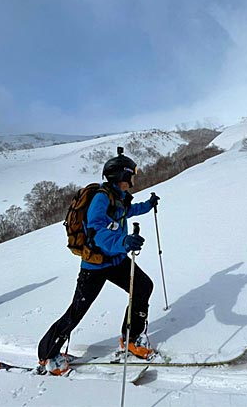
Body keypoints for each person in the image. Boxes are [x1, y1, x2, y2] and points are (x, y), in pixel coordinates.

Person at [37, 148, 159, 376]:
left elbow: (127, 211)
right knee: (76, 312)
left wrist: (148, 205)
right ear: (122, 176)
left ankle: (131, 338)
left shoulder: (117, 197)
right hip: (95, 267)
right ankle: (48, 355)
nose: (134, 178)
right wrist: (124, 241)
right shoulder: (101, 198)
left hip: (116, 261)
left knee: (143, 287)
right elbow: (96, 232)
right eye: (132, 174)